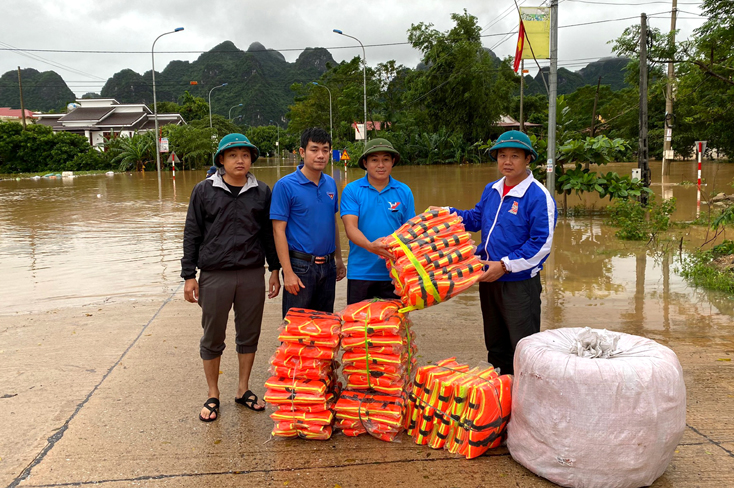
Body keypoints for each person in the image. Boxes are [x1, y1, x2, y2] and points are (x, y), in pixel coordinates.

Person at [181, 133, 281, 422]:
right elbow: (192, 233)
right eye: (233, 155)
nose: (240, 160)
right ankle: (213, 394)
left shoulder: (262, 191)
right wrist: (189, 275)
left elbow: (268, 234)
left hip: (251, 273)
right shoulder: (203, 190)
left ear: (252, 160)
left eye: (246, 155)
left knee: (249, 334)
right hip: (214, 274)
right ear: (221, 160)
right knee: (213, 335)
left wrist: (274, 269)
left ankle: (243, 389)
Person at [449, 130, 557, 375]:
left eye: (515, 156)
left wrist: (505, 265)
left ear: (528, 159)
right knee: (496, 344)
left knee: (523, 347)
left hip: (518, 284)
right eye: (502, 156)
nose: (507, 162)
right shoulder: (492, 189)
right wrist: (446, 213)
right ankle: (502, 396)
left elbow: (541, 244)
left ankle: (525, 402)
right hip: (488, 278)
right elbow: (476, 218)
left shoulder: (538, 196)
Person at [271, 127, 346, 316]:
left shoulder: (330, 183)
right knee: (296, 328)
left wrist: (338, 259)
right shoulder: (285, 186)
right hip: (300, 267)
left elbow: (333, 222)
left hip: (328, 267)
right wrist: (287, 272)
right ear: (302, 152)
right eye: (314, 149)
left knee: (324, 328)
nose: (320, 155)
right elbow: (278, 231)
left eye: (325, 150)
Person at [340, 138, 416, 304]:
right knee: (358, 326)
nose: (380, 165)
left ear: (392, 162)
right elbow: (350, 227)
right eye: (374, 160)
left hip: (395, 273)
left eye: (386, 159)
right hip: (361, 273)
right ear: (365, 163)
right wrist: (370, 246)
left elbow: (410, 232)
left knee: (393, 326)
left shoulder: (404, 191)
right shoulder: (352, 190)